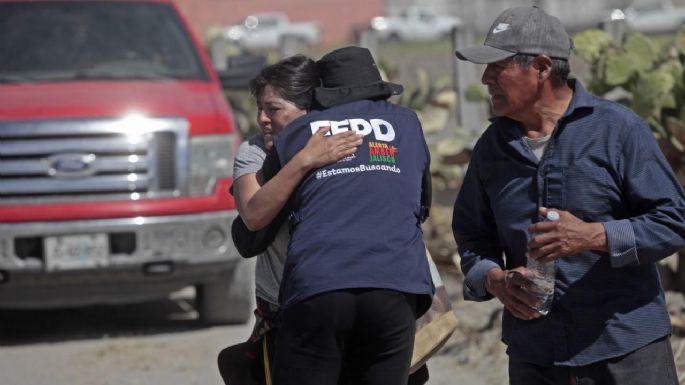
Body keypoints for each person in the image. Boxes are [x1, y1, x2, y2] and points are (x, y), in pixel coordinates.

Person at [451, 5, 685, 385]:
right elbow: (472, 235)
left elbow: (674, 221)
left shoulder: (618, 130)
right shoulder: (491, 148)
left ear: (542, 67)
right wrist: (494, 279)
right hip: (536, 356)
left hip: (624, 350)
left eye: (498, 67)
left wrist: (594, 236)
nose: (485, 79)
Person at [268, 46, 434, 385]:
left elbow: (263, 217)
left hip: (320, 285)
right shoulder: (407, 123)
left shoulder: (299, 133)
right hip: (394, 283)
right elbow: (422, 203)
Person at [218, 54, 363, 385]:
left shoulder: (344, 145)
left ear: (308, 110)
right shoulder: (253, 152)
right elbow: (254, 214)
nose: (262, 120)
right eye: (259, 109)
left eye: (274, 109)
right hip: (285, 308)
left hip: (345, 297)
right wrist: (304, 160)